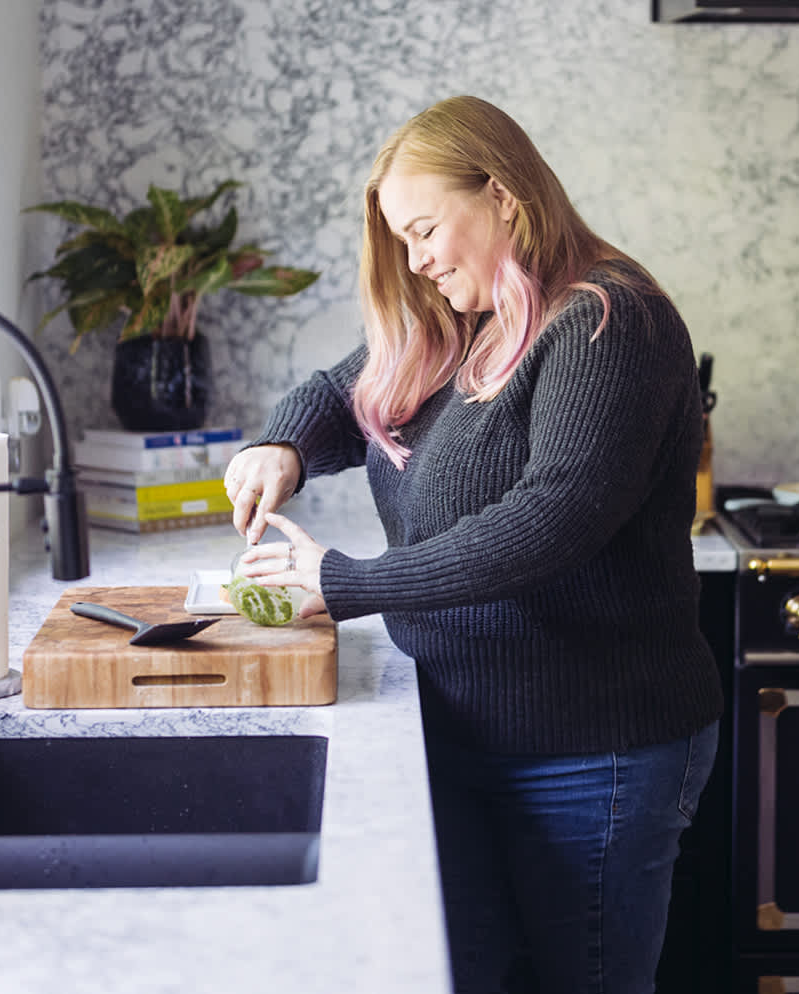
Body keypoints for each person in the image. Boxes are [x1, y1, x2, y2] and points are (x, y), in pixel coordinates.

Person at [224, 95, 723, 994]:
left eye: (424, 231)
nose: (415, 263)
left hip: (592, 749)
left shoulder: (611, 322)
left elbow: (553, 520)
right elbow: (352, 388)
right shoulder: (475, 318)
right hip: (458, 730)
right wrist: (282, 445)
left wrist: (350, 583)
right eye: (401, 242)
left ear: (501, 195)